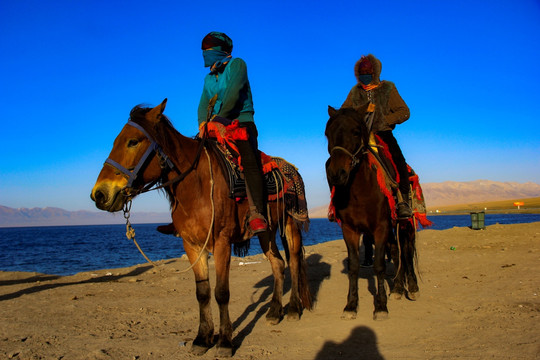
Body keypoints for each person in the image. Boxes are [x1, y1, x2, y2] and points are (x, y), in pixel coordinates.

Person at [198, 31, 268, 234]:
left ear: (220, 50)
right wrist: (203, 124)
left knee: (249, 162)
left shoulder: (237, 65)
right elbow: (203, 104)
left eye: (208, 50)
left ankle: (257, 212)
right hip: (214, 126)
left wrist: (220, 118)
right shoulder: (208, 79)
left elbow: (233, 93)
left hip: (241, 122)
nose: (205, 54)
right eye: (203, 51)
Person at [341, 54, 412, 219]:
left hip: (383, 133)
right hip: (360, 136)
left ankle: (403, 202)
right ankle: (340, 203)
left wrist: (384, 121)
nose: (364, 74)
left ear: (375, 72)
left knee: (398, 161)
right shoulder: (355, 91)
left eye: (367, 71)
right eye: (361, 72)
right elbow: (345, 111)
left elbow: (404, 111)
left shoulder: (388, 88)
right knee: (340, 160)